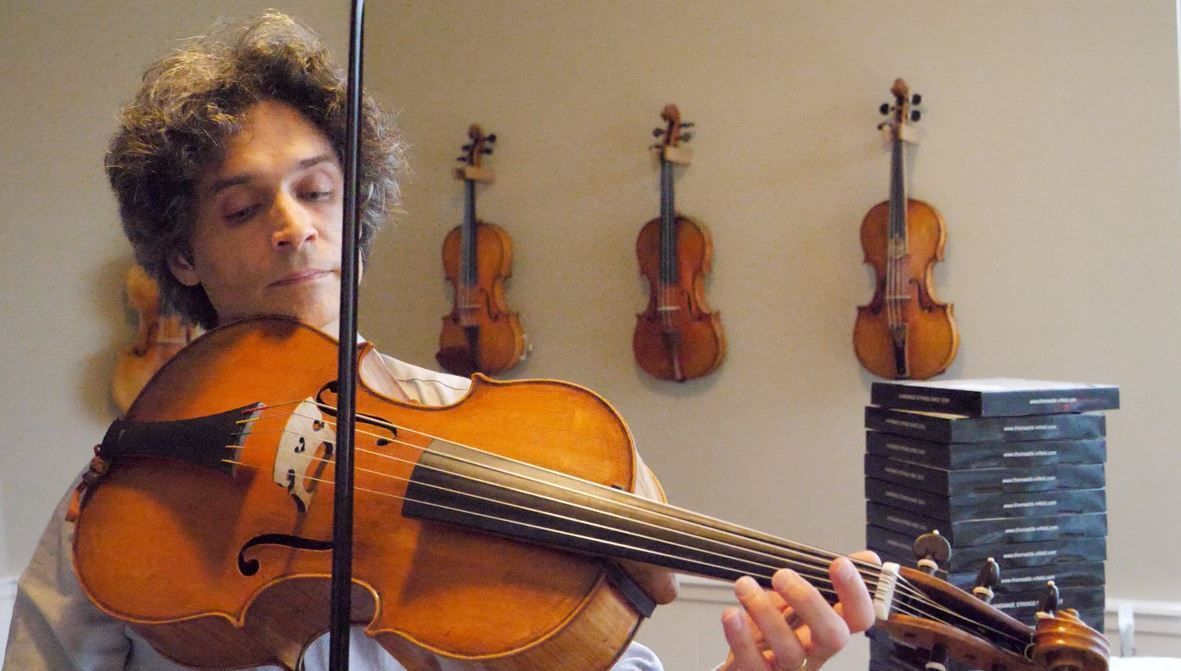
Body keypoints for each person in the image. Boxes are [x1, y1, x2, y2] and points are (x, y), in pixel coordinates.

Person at [3, 12, 876, 671]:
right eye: (242, 207)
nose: (293, 226)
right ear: (183, 254)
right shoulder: (123, 492)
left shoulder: (509, 439)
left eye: (317, 191)